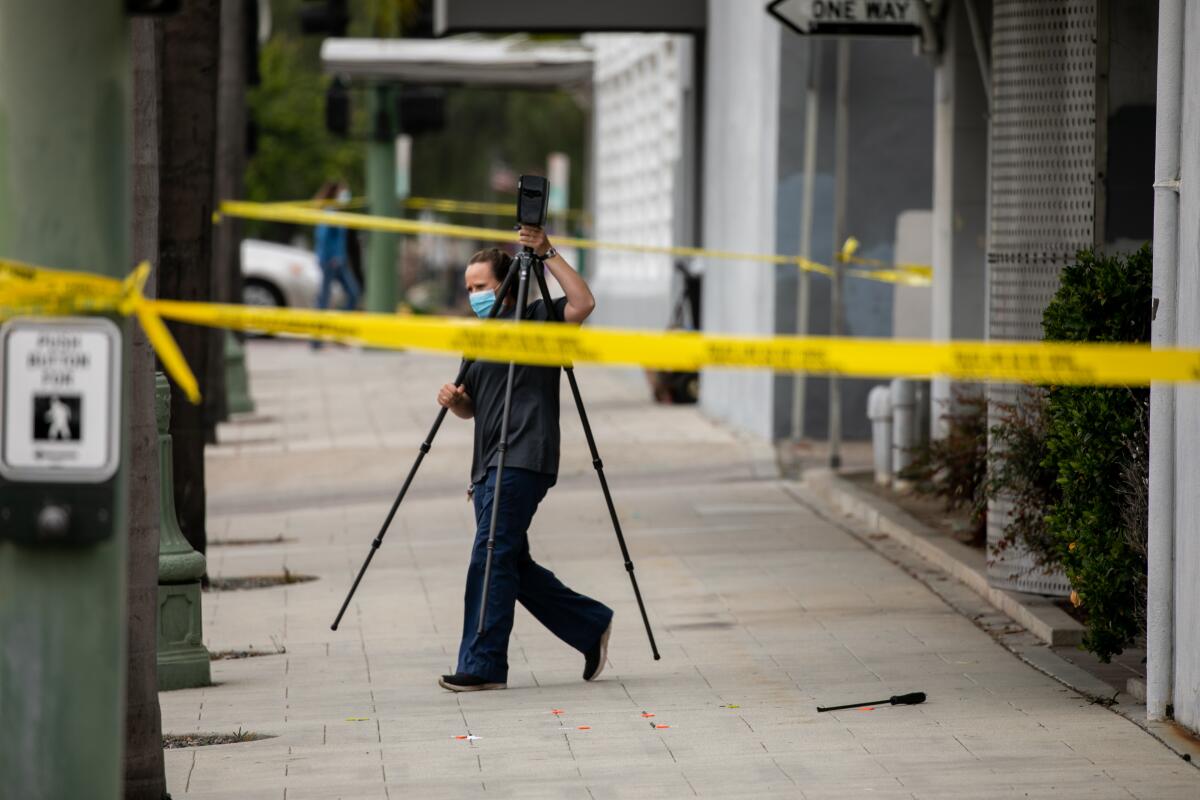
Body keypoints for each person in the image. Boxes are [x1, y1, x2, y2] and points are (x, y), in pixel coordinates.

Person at [435, 226, 613, 692]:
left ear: (507, 284)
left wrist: (546, 251)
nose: (474, 296)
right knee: (510, 561)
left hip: (524, 457)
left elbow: (583, 303)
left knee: (490, 557)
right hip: (487, 463)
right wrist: (456, 401)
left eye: (482, 287)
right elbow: (473, 406)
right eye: (469, 289)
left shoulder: (538, 320)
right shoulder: (480, 337)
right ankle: (589, 624)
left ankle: (483, 664)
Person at [313, 181, 361, 314]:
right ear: (335, 194)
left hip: (339, 261)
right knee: (324, 296)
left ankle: (341, 324)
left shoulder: (336, 212)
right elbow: (323, 237)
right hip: (330, 261)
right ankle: (318, 325)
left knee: (353, 293)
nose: (345, 196)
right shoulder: (329, 213)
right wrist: (332, 257)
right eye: (342, 192)